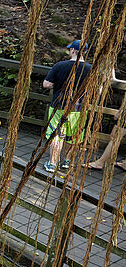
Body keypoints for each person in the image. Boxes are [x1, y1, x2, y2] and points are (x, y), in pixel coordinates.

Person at [42, 39, 93, 174]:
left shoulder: (60, 66)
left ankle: (52, 164)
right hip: (79, 107)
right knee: (73, 135)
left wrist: (57, 85)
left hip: (59, 105)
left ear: (72, 51)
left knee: (57, 134)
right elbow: (97, 90)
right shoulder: (90, 69)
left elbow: (46, 84)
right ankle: (66, 161)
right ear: (85, 53)